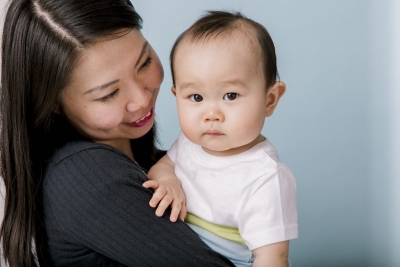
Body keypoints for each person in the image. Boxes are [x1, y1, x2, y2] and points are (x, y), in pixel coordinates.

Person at [0, 1, 236, 266]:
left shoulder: (161, 162)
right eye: (109, 94)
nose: (141, 98)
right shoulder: (88, 177)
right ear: (53, 102)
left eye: (144, 62)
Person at [147, 11, 298, 267]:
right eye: (196, 98)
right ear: (176, 96)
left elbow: (272, 258)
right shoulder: (191, 142)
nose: (212, 115)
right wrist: (167, 180)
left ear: (269, 99)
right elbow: (165, 165)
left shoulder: (266, 177)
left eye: (230, 95)